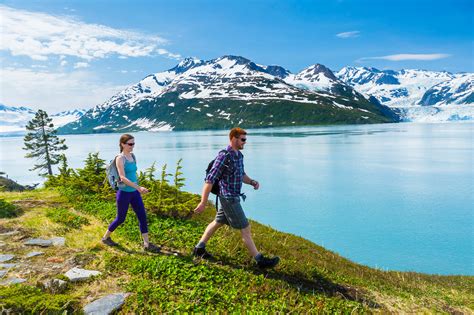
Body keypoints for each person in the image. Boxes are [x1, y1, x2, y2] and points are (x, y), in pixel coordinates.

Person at [193, 127, 280, 268]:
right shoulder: (224, 156)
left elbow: (241, 175)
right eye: (243, 139)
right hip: (229, 199)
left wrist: (252, 181)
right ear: (234, 138)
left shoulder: (239, 156)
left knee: (217, 222)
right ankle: (260, 260)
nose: (245, 142)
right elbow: (209, 180)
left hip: (233, 197)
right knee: (245, 228)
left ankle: (199, 248)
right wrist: (203, 202)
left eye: (245, 139)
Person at [102, 134, 160, 253]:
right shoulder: (120, 158)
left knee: (142, 216)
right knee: (121, 219)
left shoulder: (132, 156)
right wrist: (139, 188)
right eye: (130, 144)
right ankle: (105, 238)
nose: (132, 146)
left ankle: (147, 244)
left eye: (133, 143)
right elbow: (122, 178)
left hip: (134, 193)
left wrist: (138, 188)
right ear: (123, 144)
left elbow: (133, 174)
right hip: (124, 193)